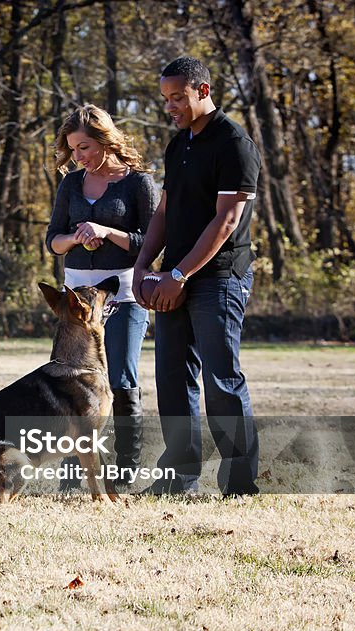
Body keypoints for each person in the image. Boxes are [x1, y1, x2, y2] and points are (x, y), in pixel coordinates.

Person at [133, 56, 261, 496]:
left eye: (177, 98)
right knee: (172, 377)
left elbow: (226, 221)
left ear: (202, 91)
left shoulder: (234, 143)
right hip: (173, 276)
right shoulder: (178, 143)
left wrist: (180, 273)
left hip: (219, 277)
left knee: (221, 380)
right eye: (165, 99)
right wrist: (143, 264)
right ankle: (178, 478)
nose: (170, 106)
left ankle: (240, 485)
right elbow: (165, 211)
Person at [45, 104, 159, 485]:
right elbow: (53, 241)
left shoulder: (138, 183)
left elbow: (151, 243)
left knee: (121, 378)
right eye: (74, 149)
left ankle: (125, 470)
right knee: (70, 379)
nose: (78, 157)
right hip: (76, 299)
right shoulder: (71, 184)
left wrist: (107, 231)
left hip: (123, 296)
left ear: (106, 142)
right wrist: (75, 238)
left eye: (85, 149)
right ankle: (73, 468)